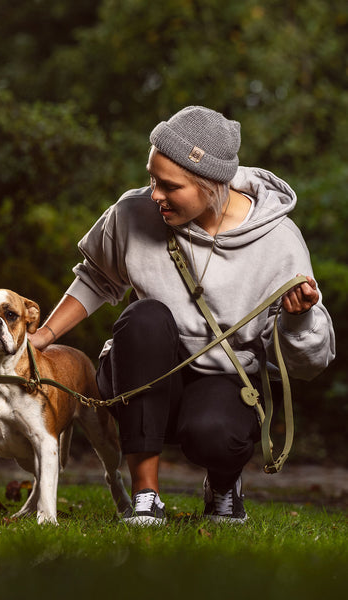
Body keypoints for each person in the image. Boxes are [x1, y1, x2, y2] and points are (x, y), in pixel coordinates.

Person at [29, 106, 335, 525]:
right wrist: (44, 335)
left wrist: (298, 319)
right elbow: (97, 278)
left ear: (211, 185)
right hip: (142, 377)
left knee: (215, 433)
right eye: (152, 179)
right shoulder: (132, 213)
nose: (154, 194)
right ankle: (146, 495)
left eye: (169, 186)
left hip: (225, 381)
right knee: (145, 317)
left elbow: (311, 365)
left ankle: (223, 486)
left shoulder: (280, 242)